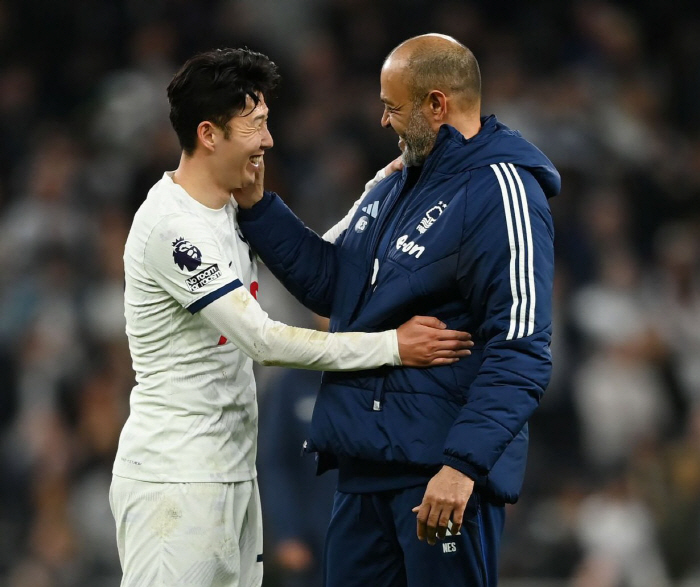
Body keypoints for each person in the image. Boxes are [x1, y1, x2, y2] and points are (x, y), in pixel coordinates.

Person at [109, 47, 474, 587]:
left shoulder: (228, 208)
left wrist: (379, 189)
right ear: (209, 134)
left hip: (231, 474)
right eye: (255, 125)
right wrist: (391, 346)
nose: (268, 140)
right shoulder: (174, 228)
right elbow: (263, 340)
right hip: (174, 477)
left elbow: (326, 261)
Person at [234, 34, 561, 586]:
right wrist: (259, 208)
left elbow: (522, 346)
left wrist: (462, 466)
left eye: (393, 107)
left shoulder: (504, 193)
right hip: (364, 468)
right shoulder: (396, 184)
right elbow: (335, 285)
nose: (383, 121)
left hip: (438, 476)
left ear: (437, 104)